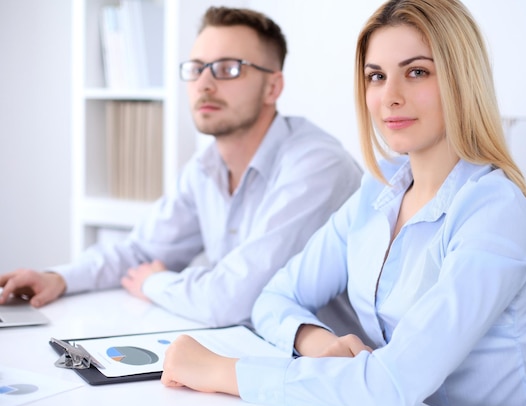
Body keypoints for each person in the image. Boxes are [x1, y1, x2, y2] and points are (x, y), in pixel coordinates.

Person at [159, 0, 526, 406]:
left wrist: (221, 372)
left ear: (462, 80)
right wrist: (317, 342)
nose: (390, 97)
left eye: (417, 72)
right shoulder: (378, 191)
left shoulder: (495, 212)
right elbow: (274, 298)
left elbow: (389, 386)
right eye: (376, 76)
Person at [0, 6, 362, 327]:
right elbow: (142, 251)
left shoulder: (316, 165)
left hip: (340, 377)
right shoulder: (205, 168)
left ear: (272, 87)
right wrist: (59, 278)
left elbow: (232, 299)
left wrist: (155, 283)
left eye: (227, 69)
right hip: (256, 357)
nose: (204, 83)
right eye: (197, 69)